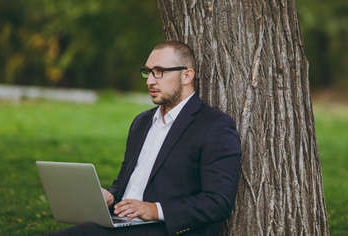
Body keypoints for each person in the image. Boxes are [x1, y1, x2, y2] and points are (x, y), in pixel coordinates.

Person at [47, 40, 241, 236]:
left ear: (186, 75)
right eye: (148, 72)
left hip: (166, 229)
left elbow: (218, 202)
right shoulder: (142, 122)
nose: (150, 81)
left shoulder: (214, 126)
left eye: (159, 71)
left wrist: (155, 210)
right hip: (121, 224)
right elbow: (125, 182)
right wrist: (110, 196)